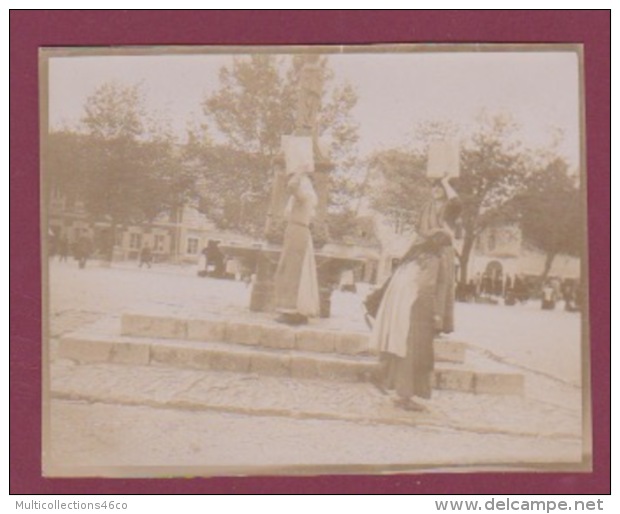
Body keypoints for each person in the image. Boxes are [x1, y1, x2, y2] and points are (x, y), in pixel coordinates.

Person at [369, 231, 452, 412]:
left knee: (401, 348)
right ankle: (404, 396)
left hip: (400, 307)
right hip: (415, 308)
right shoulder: (432, 260)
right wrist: (436, 315)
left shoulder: (413, 257)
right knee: (413, 352)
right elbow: (425, 287)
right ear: (441, 247)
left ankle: (393, 384)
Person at [273, 170, 320, 325]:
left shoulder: (305, 195)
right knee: (293, 270)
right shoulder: (304, 197)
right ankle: (297, 310)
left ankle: (292, 311)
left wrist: (299, 173)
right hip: (296, 230)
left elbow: (292, 187)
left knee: (293, 271)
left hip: (298, 231)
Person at [418, 175, 461, 333]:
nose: (436, 189)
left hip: (442, 251)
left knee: (440, 285)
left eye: (440, 187)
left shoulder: (449, 208)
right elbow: (419, 229)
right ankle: (419, 320)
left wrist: (445, 181)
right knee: (419, 283)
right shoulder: (425, 207)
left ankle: (437, 324)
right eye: (434, 186)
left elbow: (456, 202)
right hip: (425, 248)